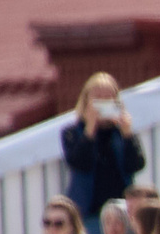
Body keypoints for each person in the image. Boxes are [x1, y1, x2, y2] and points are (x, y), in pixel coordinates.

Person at [62, 74, 146, 222]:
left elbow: (136, 164)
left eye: (108, 97)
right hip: (89, 211)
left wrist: (127, 135)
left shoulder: (122, 131)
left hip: (122, 209)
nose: (103, 102)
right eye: (98, 98)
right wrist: (90, 130)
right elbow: (79, 163)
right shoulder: (72, 132)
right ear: (86, 101)